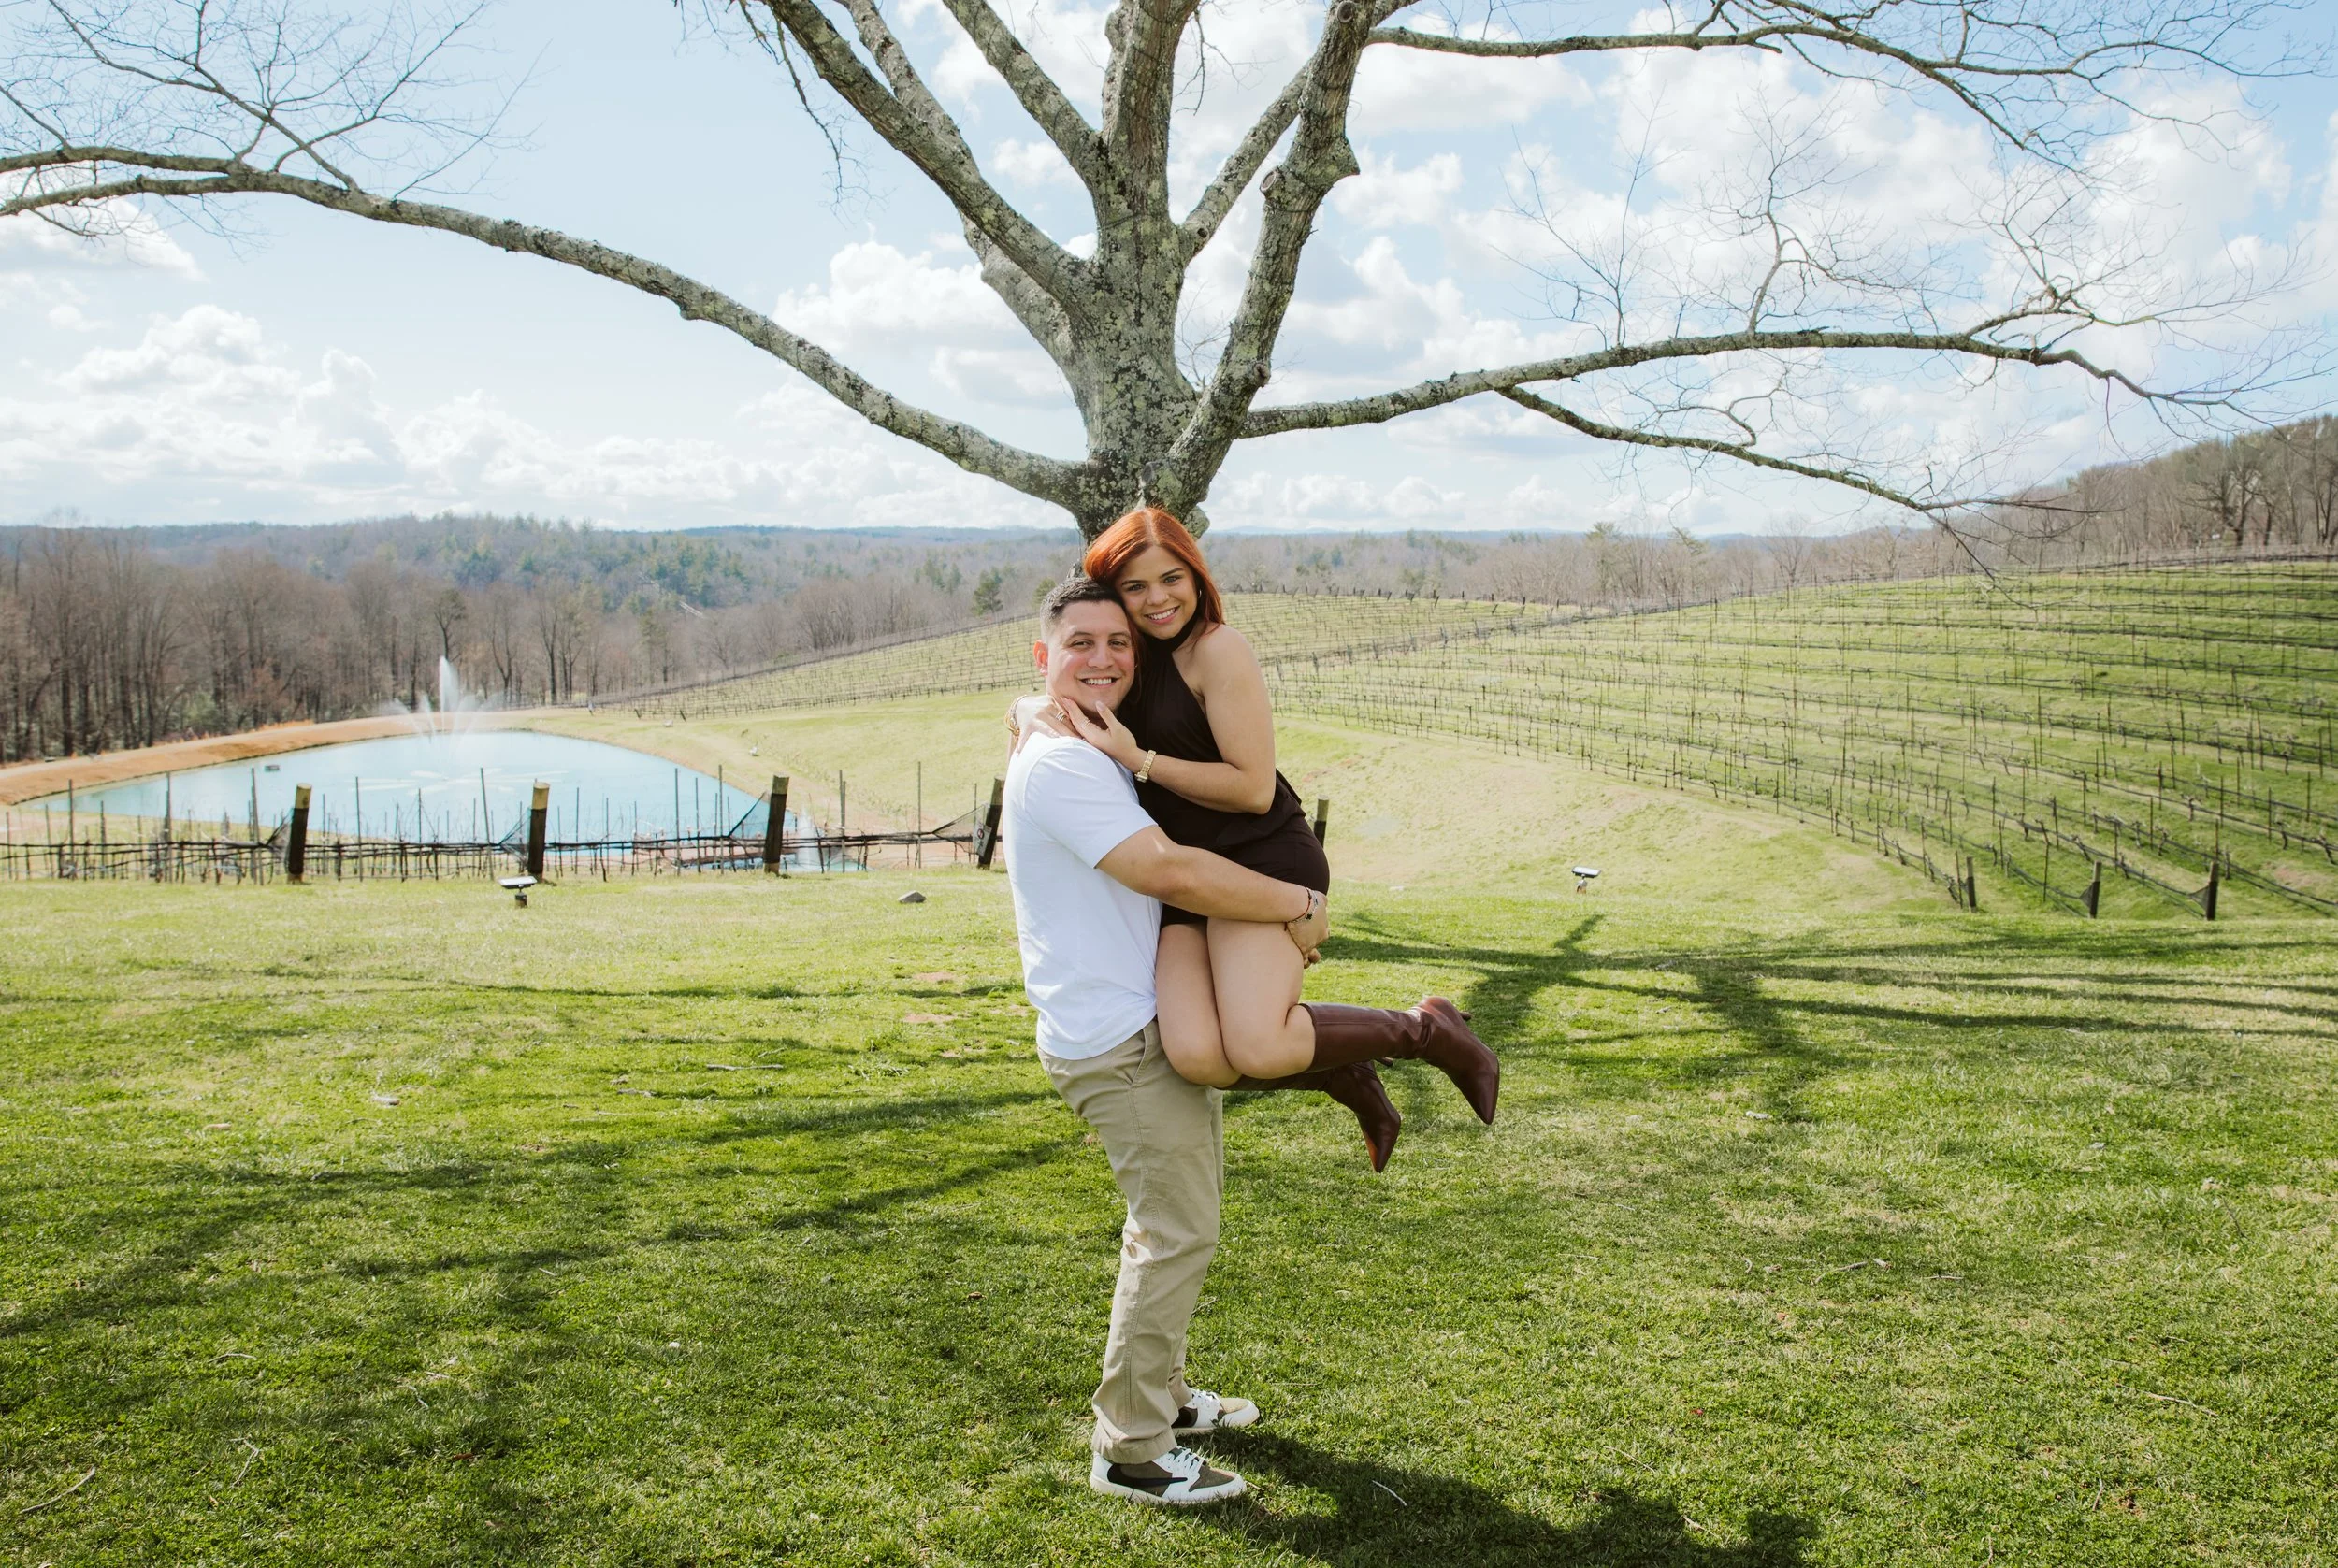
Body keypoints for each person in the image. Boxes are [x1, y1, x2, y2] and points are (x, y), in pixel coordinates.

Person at [1012, 510, 1498, 1172]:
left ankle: (1427, 1028)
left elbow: (1253, 789)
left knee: (1260, 1045)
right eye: (1135, 586)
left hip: (1257, 853)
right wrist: (1023, 709)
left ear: (1196, 575)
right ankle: (1342, 1071)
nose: (1157, 598)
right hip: (1190, 873)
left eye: (1171, 578)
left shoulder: (1216, 648)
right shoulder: (1124, 660)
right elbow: (1054, 689)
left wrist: (1141, 760)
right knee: (1198, 1056)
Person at [1005, 575, 1327, 1505]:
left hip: (1142, 1021)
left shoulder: (1089, 742)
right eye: (1079, 645)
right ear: (1043, 655)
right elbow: (1167, 867)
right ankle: (1131, 1447)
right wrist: (1299, 904)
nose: (1103, 658)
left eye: (1119, 643)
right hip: (1114, 1039)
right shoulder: (1063, 764)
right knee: (1174, 1233)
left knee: (1180, 1224)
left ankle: (1168, 1395)